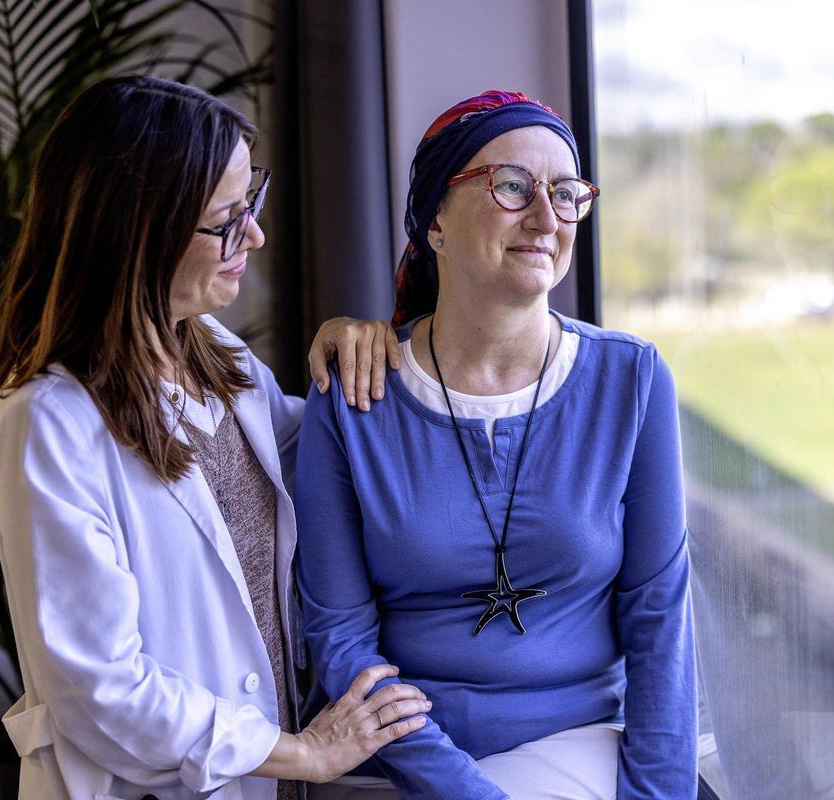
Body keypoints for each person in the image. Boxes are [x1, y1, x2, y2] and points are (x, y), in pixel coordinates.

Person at [0, 75, 430, 800]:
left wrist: (349, 344)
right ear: (139, 228)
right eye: (226, 218)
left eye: (249, 199)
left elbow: (324, 458)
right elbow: (100, 688)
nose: (253, 234)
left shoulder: (210, 351)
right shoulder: (48, 424)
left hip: (268, 775)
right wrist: (303, 752)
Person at [295, 90, 697, 799]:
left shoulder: (631, 379)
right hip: (399, 766)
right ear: (435, 224)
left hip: (579, 752)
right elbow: (342, 641)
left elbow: (660, 618)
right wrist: (463, 789)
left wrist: (659, 795)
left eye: (567, 193)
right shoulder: (355, 393)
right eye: (512, 186)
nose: (547, 218)